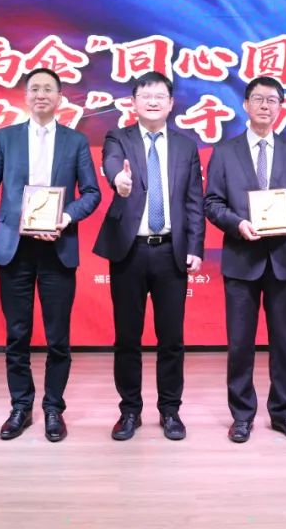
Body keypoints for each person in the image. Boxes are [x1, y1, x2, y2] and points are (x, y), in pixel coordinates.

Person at [0, 67, 101, 442]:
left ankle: (53, 408)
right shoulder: (6, 137)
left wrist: (65, 217)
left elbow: (91, 193)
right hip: (15, 249)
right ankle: (20, 406)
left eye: (48, 89)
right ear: (25, 96)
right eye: (34, 89)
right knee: (17, 334)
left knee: (58, 337)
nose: (41, 94)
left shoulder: (75, 141)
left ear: (60, 97)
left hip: (57, 248)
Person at [203, 76, 286, 444]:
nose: (265, 106)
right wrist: (237, 224)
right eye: (258, 99)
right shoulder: (225, 151)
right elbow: (212, 203)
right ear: (246, 104)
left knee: (283, 342)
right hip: (241, 257)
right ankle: (242, 415)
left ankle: (285, 413)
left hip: (283, 259)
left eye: (272, 100)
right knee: (240, 344)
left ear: (281, 107)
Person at [92, 72, 205, 441]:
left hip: (171, 252)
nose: (153, 101)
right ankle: (129, 411)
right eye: (145, 95)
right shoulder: (119, 138)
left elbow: (194, 200)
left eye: (160, 96)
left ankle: (170, 411)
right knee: (127, 337)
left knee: (171, 338)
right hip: (130, 251)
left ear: (171, 103)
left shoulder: (186, 146)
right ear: (134, 103)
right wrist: (119, 181)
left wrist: (195, 247)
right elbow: (112, 163)